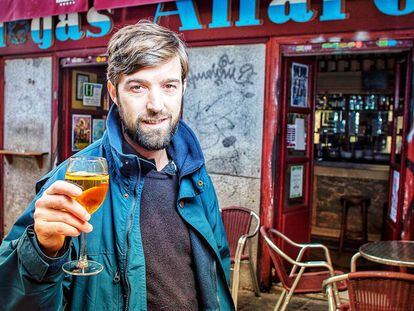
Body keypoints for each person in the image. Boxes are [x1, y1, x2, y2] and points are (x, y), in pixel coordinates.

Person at [0, 20, 234, 311]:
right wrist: (42, 251)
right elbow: (14, 300)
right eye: (137, 87)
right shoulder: (71, 180)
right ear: (113, 92)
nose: (156, 104)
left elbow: (218, 271)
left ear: (183, 88)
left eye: (169, 86)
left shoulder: (195, 175)